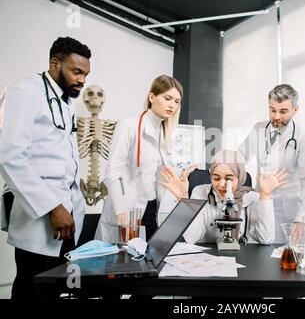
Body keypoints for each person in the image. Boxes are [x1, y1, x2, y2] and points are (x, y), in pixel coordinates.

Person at [0, 37, 91, 299]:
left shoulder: (67, 102)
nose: (82, 81)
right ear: (55, 63)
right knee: (32, 288)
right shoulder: (24, 92)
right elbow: (10, 156)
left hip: (68, 214)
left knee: (56, 290)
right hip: (43, 215)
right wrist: (53, 207)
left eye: (85, 74)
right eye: (77, 72)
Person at [95, 75, 186, 243]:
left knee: (150, 262)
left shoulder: (165, 133)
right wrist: (120, 209)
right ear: (152, 97)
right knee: (122, 263)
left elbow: (159, 174)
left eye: (176, 101)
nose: (172, 105)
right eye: (167, 98)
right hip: (127, 208)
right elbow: (111, 173)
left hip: (151, 208)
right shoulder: (129, 125)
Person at [238, 84, 305, 243]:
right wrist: (220, 167)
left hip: (289, 210)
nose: (276, 116)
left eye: (283, 111)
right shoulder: (259, 129)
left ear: (295, 110)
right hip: (262, 205)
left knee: (287, 257)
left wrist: (303, 218)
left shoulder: (304, 137)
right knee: (260, 254)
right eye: (272, 110)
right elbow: (239, 158)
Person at [159, 150, 287, 245]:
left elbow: (266, 239)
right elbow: (191, 237)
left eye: (229, 179)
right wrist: (184, 199)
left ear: (240, 176)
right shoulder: (201, 192)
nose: (221, 184)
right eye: (216, 178)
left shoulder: (252, 198)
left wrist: (265, 196)